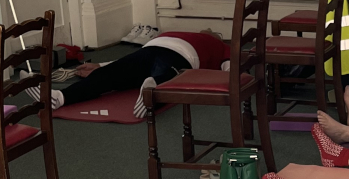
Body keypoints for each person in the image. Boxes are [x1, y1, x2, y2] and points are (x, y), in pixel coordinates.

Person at [22, 30, 230, 118]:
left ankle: (59, 97)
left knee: (110, 75)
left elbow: (122, 63)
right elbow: (230, 68)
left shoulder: (172, 31)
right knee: (168, 76)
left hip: (147, 50)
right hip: (179, 56)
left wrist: (101, 65)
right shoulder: (218, 44)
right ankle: (151, 92)